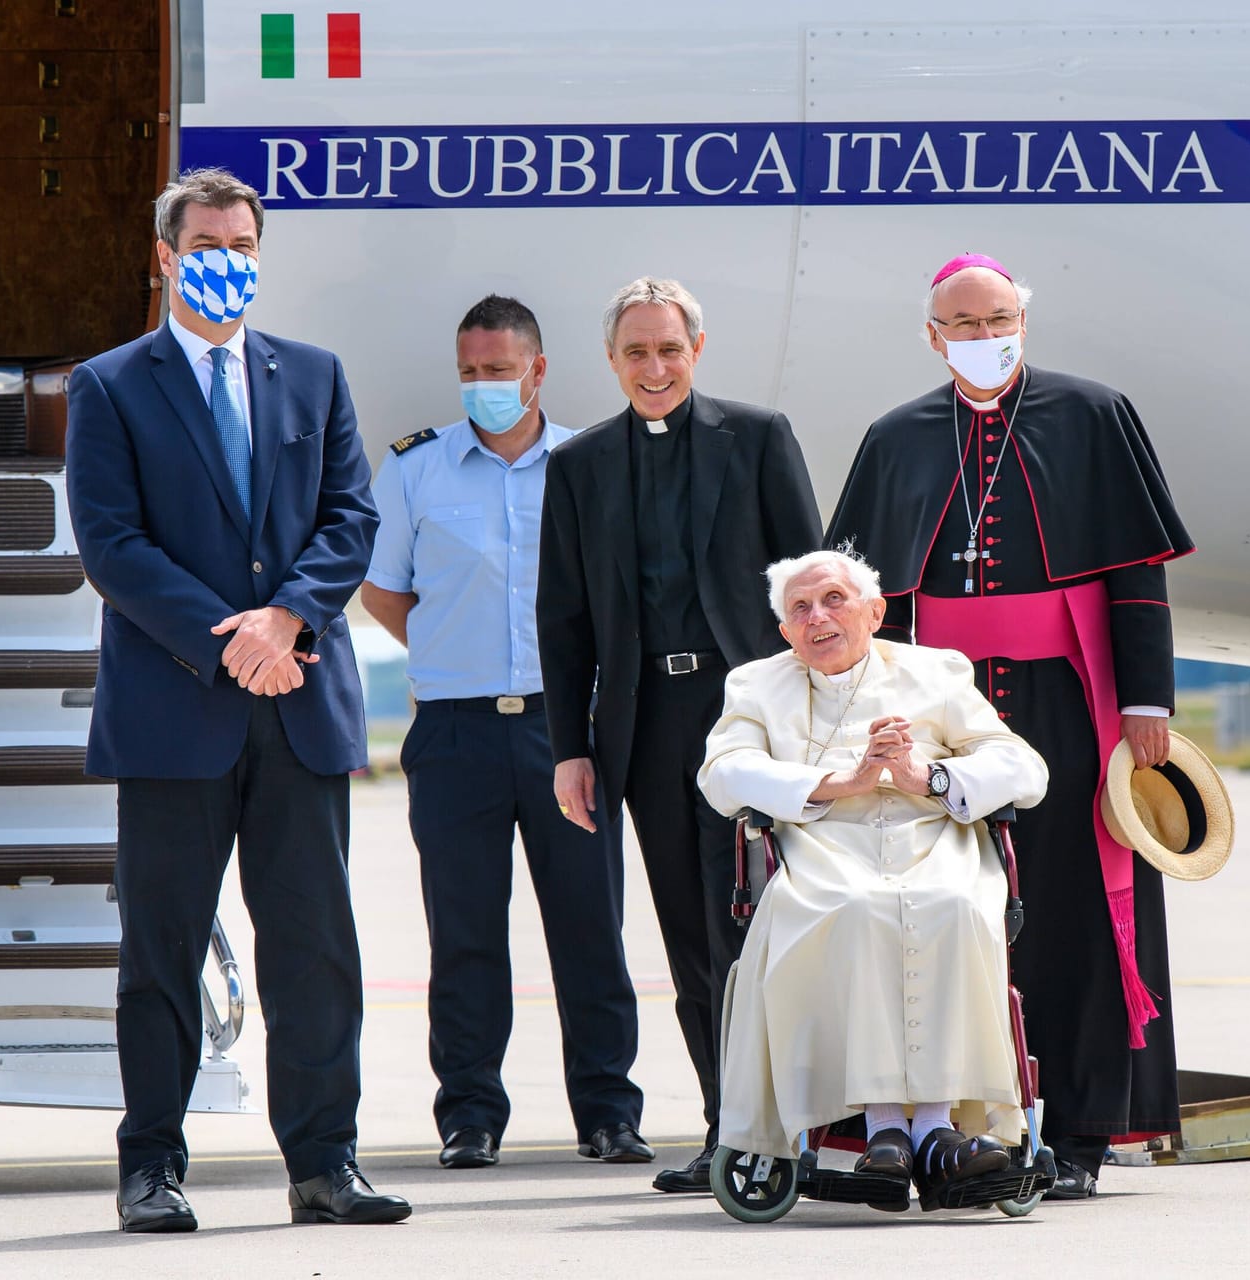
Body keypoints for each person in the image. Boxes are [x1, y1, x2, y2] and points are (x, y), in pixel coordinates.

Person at [67, 167, 408, 1231]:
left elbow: (350, 518)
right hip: (178, 707)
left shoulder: (313, 374)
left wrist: (287, 621)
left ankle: (324, 1162)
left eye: (244, 243)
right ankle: (151, 1166)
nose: (228, 259)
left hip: (300, 700)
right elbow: (114, 545)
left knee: (314, 943)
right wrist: (233, 644)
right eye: (208, 242)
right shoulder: (111, 384)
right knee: (161, 948)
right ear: (167, 256)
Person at [825, 253, 1196, 1200]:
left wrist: (1147, 705)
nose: (983, 339)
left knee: (1069, 913)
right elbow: (870, 601)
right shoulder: (897, 436)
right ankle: (955, 1128)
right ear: (932, 335)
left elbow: (1137, 573)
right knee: (946, 913)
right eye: (963, 325)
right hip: (943, 714)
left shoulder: (1094, 414)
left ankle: (1076, 1133)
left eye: (997, 320)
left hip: (1066, 702)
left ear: (1022, 321)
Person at [537, 277, 823, 1192]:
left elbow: (812, 585)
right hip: (649, 729)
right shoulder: (577, 467)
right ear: (612, 362)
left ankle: (803, 1123)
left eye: (668, 350)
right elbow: (563, 621)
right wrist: (570, 747)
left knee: (764, 924)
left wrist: (826, 718)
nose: (653, 368)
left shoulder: (760, 438)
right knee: (690, 937)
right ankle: (725, 1124)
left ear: (696, 350)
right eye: (635, 353)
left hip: (751, 718)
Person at [360, 295, 650, 1172]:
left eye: (499, 369)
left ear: (539, 369)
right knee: (465, 931)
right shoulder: (416, 469)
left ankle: (608, 1111)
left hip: (566, 733)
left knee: (589, 928)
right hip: (455, 733)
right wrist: (452, 655)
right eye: (471, 372)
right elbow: (384, 590)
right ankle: (471, 1115)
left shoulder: (591, 462)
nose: (484, 386)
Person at [698, 551, 1049, 1204]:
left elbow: (1024, 767)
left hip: (933, 844)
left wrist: (931, 777)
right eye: (799, 609)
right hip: (825, 853)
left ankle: (934, 1130)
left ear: (876, 611)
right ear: (784, 632)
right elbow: (723, 773)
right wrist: (841, 782)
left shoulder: (935, 672)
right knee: (856, 910)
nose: (818, 618)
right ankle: (889, 1129)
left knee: (951, 906)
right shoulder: (755, 685)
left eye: (834, 599)